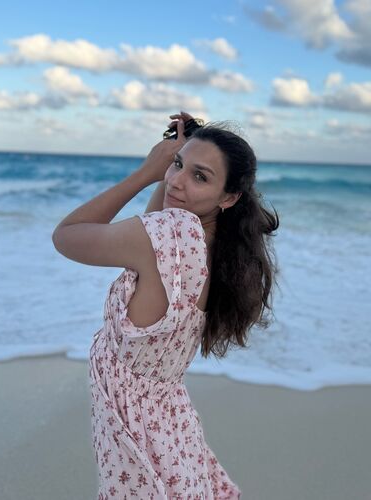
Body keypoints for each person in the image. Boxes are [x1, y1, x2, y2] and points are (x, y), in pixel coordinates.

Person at [52, 111, 279, 499]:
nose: (176, 180)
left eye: (200, 177)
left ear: (229, 198)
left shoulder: (169, 234)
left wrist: (146, 173)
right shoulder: (214, 247)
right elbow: (155, 226)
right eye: (177, 164)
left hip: (135, 425)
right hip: (167, 424)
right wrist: (179, 156)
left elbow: (66, 235)